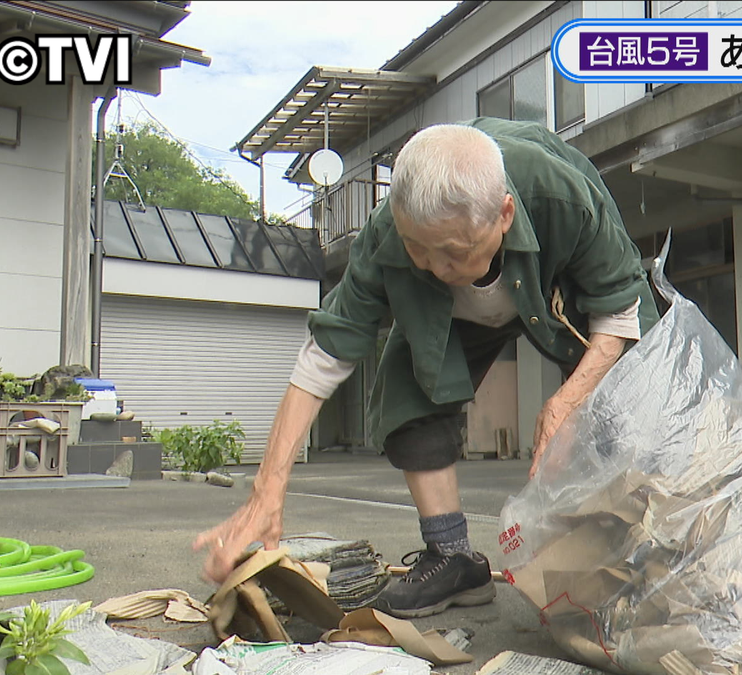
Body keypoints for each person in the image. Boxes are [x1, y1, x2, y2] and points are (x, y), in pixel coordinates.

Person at [192, 117, 659, 619]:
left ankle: (647, 552)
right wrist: (268, 490)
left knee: (632, 401)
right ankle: (452, 557)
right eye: (418, 250)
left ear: (503, 215)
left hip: (561, 294)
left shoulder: (558, 196)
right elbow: (325, 354)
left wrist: (568, 399)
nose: (437, 269)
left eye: (454, 253)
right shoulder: (385, 233)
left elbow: (619, 308)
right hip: (459, 320)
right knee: (407, 391)